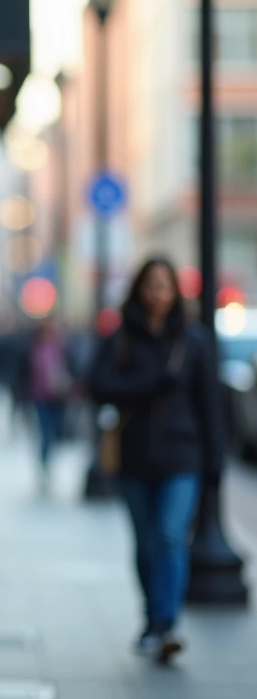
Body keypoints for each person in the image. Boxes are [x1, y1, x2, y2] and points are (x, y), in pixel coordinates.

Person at [88, 258, 221, 665]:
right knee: (146, 545)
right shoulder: (121, 337)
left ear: (175, 291)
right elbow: (98, 386)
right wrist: (149, 384)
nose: (158, 293)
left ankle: (166, 624)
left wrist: (214, 462)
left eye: (165, 285)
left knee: (168, 536)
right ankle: (151, 618)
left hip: (183, 456)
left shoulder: (194, 341)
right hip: (135, 457)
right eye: (151, 284)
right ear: (139, 289)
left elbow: (211, 405)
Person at [24, 317, 72, 491]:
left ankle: (50, 461)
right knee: (45, 433)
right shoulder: (32, 348)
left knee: (55, 434)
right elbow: (24, 373)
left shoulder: (62, 348)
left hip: (59, 397)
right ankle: (44, 465)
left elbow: (72, 368)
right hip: (40, 397)